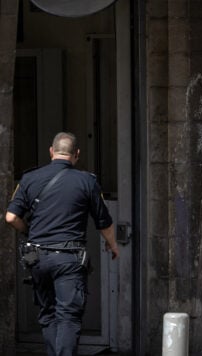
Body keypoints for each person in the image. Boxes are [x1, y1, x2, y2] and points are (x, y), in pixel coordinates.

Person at [5, 132, 119, 356]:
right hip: (69, 259)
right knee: (68, 317)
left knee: (48, 315)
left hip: (37, 258)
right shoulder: (87, 181)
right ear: (77, 154)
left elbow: (10, 217)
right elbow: (104, 222)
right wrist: (112, 245)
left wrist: (29, 232)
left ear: (51, 151)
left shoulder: (30, 179)